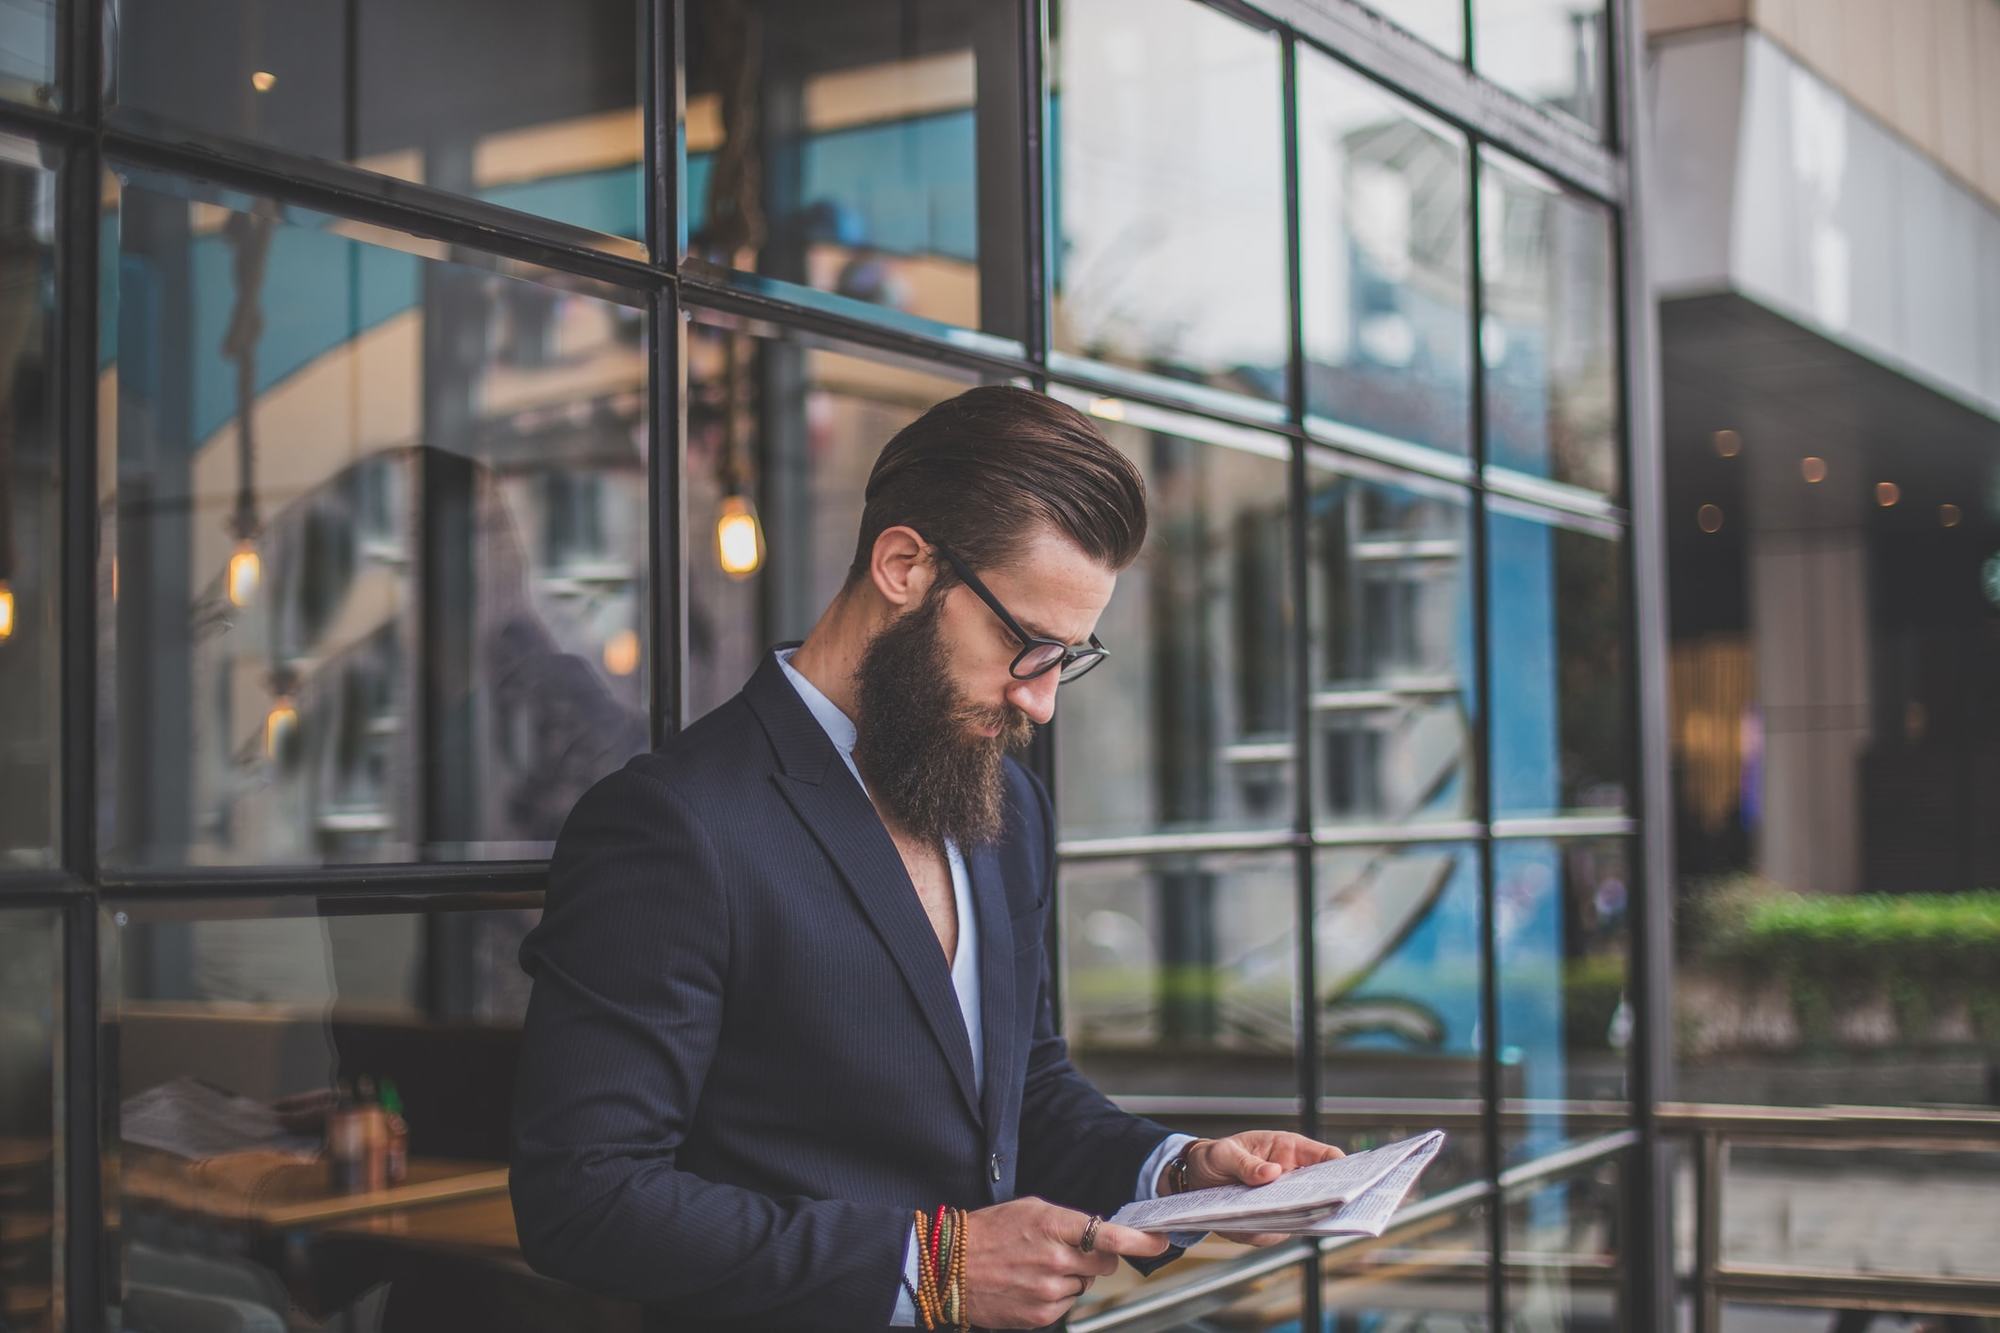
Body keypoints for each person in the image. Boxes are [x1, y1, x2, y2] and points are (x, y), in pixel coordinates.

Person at [510, 386, 1345, 1330]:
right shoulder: (676, 822)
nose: (1041, 703)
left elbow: (1022, 1090)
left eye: (1067, 658)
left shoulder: (1008, 806)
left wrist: (1186, 1172)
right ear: (905, 565)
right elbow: (583, 1199)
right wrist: (933, 1267)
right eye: (1027, 645)